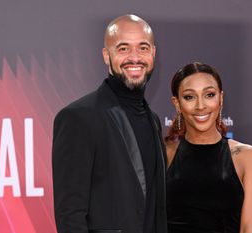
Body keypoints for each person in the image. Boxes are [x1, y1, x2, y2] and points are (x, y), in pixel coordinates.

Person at [52, 14, 167, 233]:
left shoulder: (152, 120)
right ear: (107, 55)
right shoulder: (79, 117)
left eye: (143, 48)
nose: (135, 57)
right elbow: (70, 213)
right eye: (123, 48)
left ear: (153, 53)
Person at [165, 62, 252, 233]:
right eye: (190, 97)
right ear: (177, 103)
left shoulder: (248, 157)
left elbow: (249, 229)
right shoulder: (164, 152)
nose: (200, 106)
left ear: (220, 98)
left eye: (209, 95)